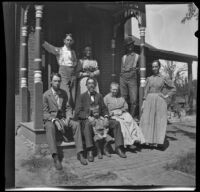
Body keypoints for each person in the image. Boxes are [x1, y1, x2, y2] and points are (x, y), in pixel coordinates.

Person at [75, 77, 127, 162]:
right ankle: (90, 150)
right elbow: (78, 112)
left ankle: (118, 148)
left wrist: (106, 117)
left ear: (95, 85)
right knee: (87, 125)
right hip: (88, 120)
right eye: (89, 83)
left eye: (93, 83)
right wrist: (88, 117)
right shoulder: (82, 97)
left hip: (100, 120)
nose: (91, 85)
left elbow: (104, 109)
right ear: (86, 85)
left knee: (116, 123)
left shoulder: (99, 96)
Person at [43, 73, 88, 170]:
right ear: (51, 82)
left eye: (59, 81)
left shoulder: (63, 93)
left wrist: (68, 117)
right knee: (49, 127)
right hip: (52, 119)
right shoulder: (46, 95)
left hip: (63, 118)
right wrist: (54, 120)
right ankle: (55, 157)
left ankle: (80, 153)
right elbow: (44, 113)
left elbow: (68, 108)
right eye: (55, 81)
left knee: (76, 124)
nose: (57, 83)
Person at [139, 60, 176, 148]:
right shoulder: (149, 78)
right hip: (149, 100)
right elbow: (146, 92)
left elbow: (173, 88)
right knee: (147, 120)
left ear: (159, 67)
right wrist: (144, 102)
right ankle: (146, 141)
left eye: (156, 66)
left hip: (159, 101)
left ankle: (159, 142)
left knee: (159, 121)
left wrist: (166, 96)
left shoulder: (164, 78)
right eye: (153, 67)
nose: (154, 68)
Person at [104, 82, 145, 149]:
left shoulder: (120, 97)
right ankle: (128, 142)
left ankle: (135, 138)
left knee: (130, 119)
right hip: (112, 115)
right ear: (110, 89)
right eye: (113, 89)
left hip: (121, 113)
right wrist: (111, 113)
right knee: (122, 123)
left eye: (116, 89)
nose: (115, 91)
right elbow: (104, 109)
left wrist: (122, 110)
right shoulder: (106, 98)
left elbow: (126, 106)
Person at [42, 33, 77, 109]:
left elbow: (75, 62)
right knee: (66, 92)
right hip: (63, 72)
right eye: (67, 40)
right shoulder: (60, 50)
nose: (69, 42)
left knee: (73, 93)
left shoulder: (73, 52)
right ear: (64, 41)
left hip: (72, 72)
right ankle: (66, 110)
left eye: (70, 40)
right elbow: (50, 48)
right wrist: (42, 41)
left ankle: (71, 111)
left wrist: (73, 69)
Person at [120, 36, 140, 120]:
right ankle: (125, 116)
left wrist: (135, 69)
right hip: (123, 78)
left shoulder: (137, 56)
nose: (130, 47)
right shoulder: (123, 57)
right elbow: (121, 70)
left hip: (132, 78)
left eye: (131, 44)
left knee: (134, 100)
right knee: (123, 98)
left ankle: (131, 117)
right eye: (128, 45)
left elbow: (140, 69)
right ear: (126, 47)